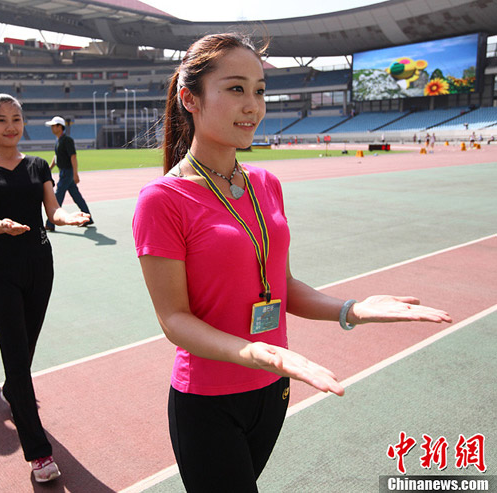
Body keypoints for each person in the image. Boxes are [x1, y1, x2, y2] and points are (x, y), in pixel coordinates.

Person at [131, 32, 452, 493]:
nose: (253, 105)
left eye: (260, 90)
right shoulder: (163, 200)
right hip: (209, 399)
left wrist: (351, 310)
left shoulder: (266, 183)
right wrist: (252, 351)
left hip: (273, 387)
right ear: (190, 98)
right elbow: (174, 319)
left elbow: (282, 286)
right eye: (236, 88)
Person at [0, 94, 90, 483]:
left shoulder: (36, 165)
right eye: (1, 120)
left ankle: (13, 388)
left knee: (26, 345)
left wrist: (68, 218)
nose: (11, 126)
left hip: (39, 263)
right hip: (1, 267)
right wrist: (1, 224)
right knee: (17, 357)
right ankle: (38, 454)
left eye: (16, 118)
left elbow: (53, 209)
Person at [43, 116, 93, 231]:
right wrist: (49, 168)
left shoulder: (67, 140)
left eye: (53, 126)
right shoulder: (58, 140)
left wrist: (75, 174)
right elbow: (56, 157)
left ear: (60, 127)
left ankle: (50, 223)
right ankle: (87, 217)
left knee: (57, 196)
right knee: (76, 196)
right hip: (64, 172)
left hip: (67, 172)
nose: (51, 128)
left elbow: (73, 156)